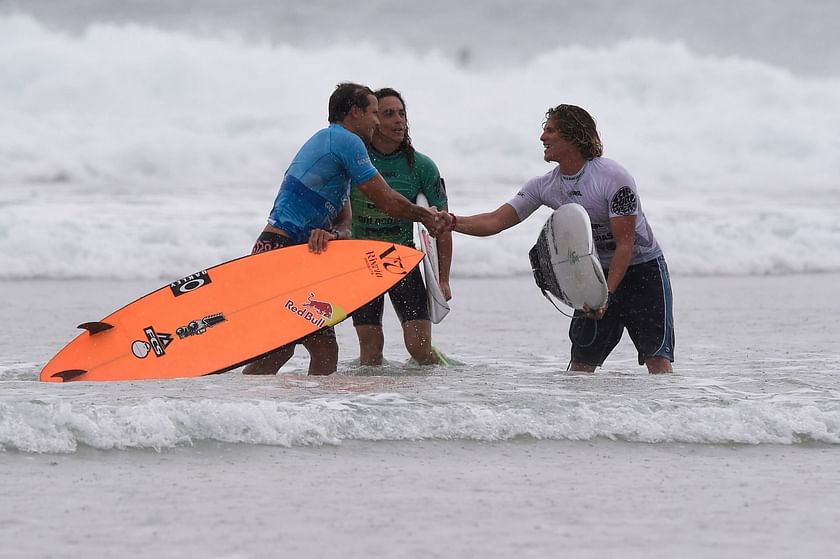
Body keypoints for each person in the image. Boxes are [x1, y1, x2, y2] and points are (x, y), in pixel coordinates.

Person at [243, 82, 451, 376]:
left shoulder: (334, 151)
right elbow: (387, 200)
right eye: (375, 113)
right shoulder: (345, 141)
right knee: (298, 348)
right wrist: (425, 216)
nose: (377, 122)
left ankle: (297, 411)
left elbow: (346, 223)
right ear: (354, 113)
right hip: (281, 251)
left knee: (313, 349)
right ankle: (255, 406)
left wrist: (332, 234)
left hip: (294, 254)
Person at [449, 104, 674, 374]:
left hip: (642, 271)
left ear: (574, 135)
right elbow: (496, 221)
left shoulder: (613, 177)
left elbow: (626, 245)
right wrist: (451, 223)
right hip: (593, 273)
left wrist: (607, 296)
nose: (542, 138)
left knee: (657, 361)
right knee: (580, 367)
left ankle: (667, 414)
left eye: (550, 130)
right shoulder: (544, 186)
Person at [349, 88, 452, 366]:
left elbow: (442, 224)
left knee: (419, 348)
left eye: (402, 114)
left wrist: (443, 278)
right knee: (370, 351)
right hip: (360, 263)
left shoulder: (421, 166)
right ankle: (376, 404)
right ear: (374, 121)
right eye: (388, 114)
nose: (399, 121)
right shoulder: (355, 161)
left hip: (401, 260)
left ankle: (443, 376)